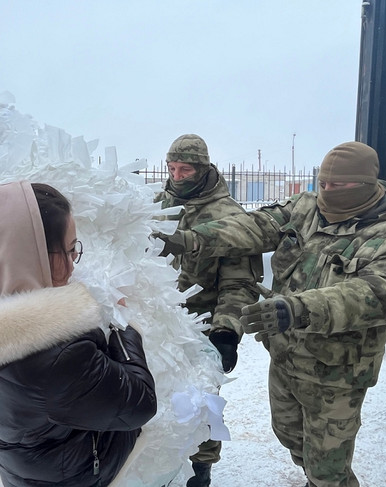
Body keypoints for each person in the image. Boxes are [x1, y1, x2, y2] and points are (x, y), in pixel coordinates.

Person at [200, 141, 386, 487]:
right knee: (290, 437)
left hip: (336, 373)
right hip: (286, 358)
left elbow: (381, 294)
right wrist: (189, 239)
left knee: (328, 470)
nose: (326, 191)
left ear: (365, 186)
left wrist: (300, 308)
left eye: (337, 185)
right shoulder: (306, 209)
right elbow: (254, 227)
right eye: (322, 183)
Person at [0, 181, 158, 487]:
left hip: (23, 465)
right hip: (74, 472)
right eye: (67, 251)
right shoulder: (53, 352)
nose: (72, 265)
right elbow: (140, 404)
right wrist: (124, 326)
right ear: (23, 256)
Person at [153, 134, 263, 487]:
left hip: (200, 333)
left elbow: (238, 284)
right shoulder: (157, 205)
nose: (177, 176)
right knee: (152, 410)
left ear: (202, 169)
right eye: (172, 168)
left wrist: (226, 332)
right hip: (154, 330)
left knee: (200, 412)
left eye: (185, 169)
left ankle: (199, 477)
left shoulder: (229, 218)